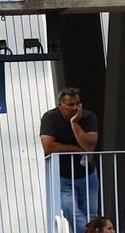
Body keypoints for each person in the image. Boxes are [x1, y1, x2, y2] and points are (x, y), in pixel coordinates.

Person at [39, 87, 98, 233]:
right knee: (70, 211)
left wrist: (75, 124)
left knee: (91, 215)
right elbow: (48, 146)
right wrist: (76, 150)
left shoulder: (89, 117)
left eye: (78, 104)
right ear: (60, 106)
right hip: (63, 177)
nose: (76, 108)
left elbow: (90, 145)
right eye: (71, 105)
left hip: (88, 175)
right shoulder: (50, 118)